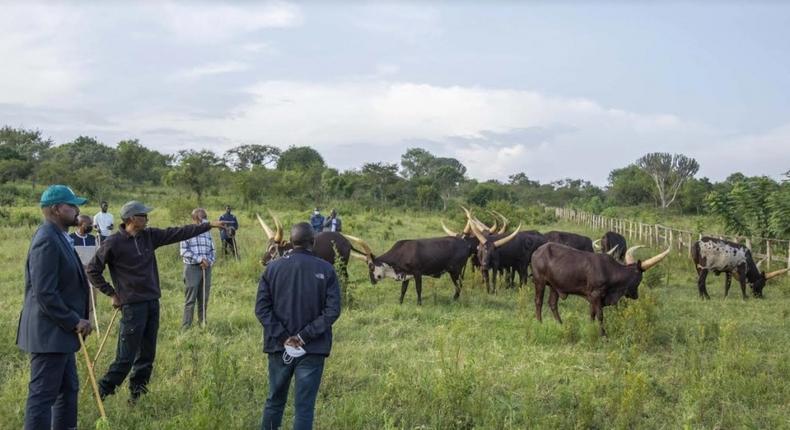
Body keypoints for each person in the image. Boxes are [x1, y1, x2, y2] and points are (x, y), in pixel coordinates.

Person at [86, 200, 227, 402]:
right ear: (132, 219)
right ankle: (100, 394)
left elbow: (179, 232)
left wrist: (209, 225)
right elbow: (92, 270)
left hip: (152, 302)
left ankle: (137, 397)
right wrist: (112, 294)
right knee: (125, 358)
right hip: (132, 306)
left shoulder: (149, 236)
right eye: (144, 215)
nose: (148, 218)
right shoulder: (113, 242)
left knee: (147, 356)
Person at [17, 185, 93, 429]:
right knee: (42, 395)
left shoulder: (61, 236)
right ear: (56, 209)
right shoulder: (46, 239)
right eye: (71, 206)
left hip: (60, 333)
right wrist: (74, 320)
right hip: (49, 332)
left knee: (68, 389)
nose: (77, 210)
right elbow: (45, 293)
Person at [256, 222, 341, 430]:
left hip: (278, 347)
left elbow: (261, 309)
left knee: (274, 401)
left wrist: (284, 337)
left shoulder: (272, 269)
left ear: (291, 243)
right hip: (312, 349)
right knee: (304, 408)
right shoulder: (327, 269)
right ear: (313, 242)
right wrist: (303, 337)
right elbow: (332, 311)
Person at [180, 208, 216, 328]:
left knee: (204, 298)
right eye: (202, 217)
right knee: (190, 299)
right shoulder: (187, 231)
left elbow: (213, 250)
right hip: (192, 268)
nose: (204, 219)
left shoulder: (207, 233)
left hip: (206, 268)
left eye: (205, 217)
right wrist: (200, 259)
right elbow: (184, 251)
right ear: (194, 218)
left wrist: (208, 261)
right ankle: (186, 327)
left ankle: (203, 324)